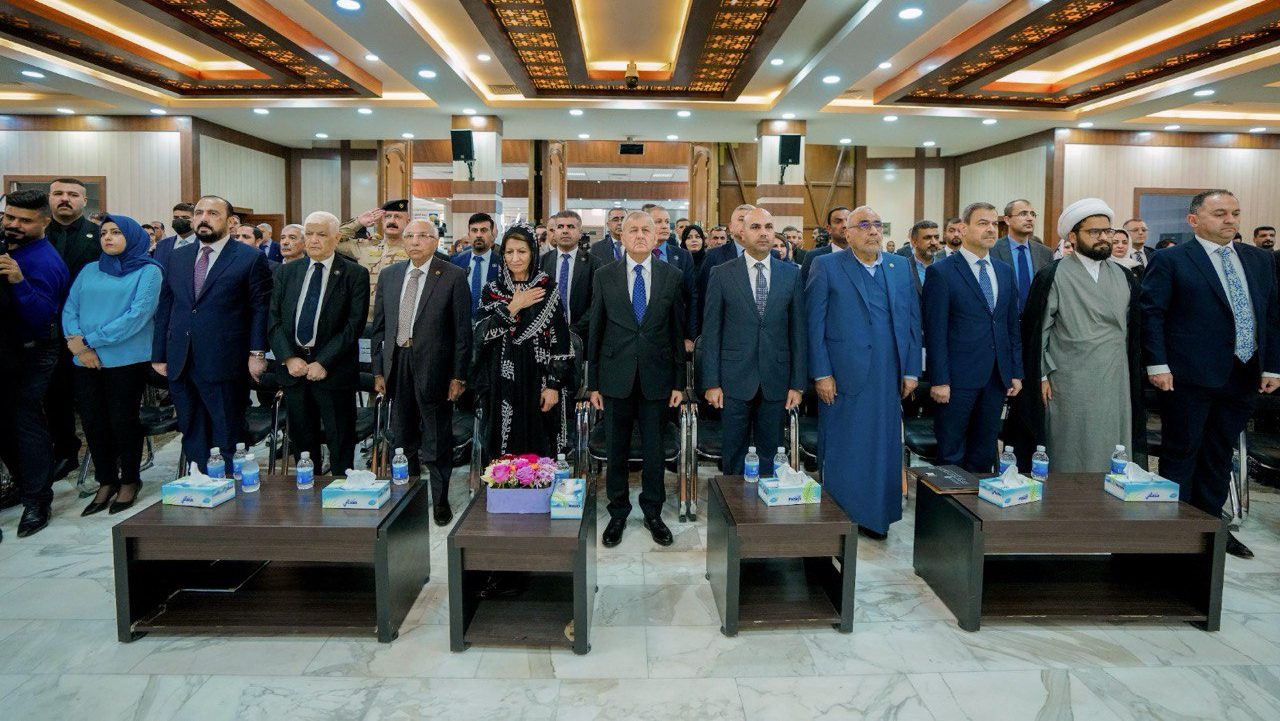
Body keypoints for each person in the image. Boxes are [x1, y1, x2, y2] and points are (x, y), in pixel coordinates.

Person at [1142, 189, 1280, 560]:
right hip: (1187, 375)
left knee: (1220, 456)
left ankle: (1211, 528)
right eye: (1220, 214)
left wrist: (1272, 366)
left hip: (1243, 373)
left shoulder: (1259, 259)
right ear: (1194, 220)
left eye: (1235, 213)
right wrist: (1157, 364)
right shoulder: (1172, 259)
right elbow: (1152, 313)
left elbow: (1271, 315)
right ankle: (1174, 531)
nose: (1230, 220)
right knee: (1182, 452)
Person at [807, 205, 921, 539]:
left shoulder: (899, 266)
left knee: (883, 448)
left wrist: (911, 371)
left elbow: (912, 321)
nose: (873, 231)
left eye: (877, 224)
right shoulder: (827, 266)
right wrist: (821, 373)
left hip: (888, 375)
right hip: (843, 377)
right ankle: (843, 516)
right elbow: (813, 324)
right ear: (848, 232)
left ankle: (877, 517)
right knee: (847, 448)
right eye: (864, 225)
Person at [1019, 198, 1146, 475]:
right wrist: (1041, 375)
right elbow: (1038, 332)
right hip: (1068, 376)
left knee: (1113, 443)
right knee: (1070, 444)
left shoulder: (1125, 276)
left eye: (1107, 231)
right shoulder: (1053, 275)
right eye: (1094, 232)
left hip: (1115, 375)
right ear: (1073, 237)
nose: (1103, 238)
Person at [152, 195, 272, 475]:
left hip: (224, 359)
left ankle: (229, 486)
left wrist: (257, 353)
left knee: (227, 430)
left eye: (213, 213)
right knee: (192, 429)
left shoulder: (249, 257)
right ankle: (199, 482)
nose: (203, 218)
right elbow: (167, 305)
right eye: (199, 213)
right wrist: (159, 353)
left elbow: (260, 309)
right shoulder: (177, 256)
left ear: (231, 222)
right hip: (181, 358)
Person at [588, 211, 685, 548]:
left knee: (655, 450)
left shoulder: (672, 275)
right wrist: (593, 383)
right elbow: (596, 329)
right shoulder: (604, 275)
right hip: (615, 376)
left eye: (647, 229)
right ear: (622, 236)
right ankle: (618, 512)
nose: (640, 235)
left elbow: (676, 332)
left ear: (657, 236)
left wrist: (679, 382)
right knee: (616, 448)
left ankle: (653, 512)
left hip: (658, 377)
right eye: (633, 230)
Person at [371, 219, 471, 526]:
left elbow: (462, 332)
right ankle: (409, 496)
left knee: (437, 437)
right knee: (402, 436)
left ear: (436, 240)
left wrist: (458, 376)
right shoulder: (389, 275)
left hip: (435, 367)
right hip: (397, 362)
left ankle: (440, 500)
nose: (415, 241)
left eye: (423, 236)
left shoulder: (453, 275)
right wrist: (378, 371)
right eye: (409, 236)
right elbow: (379, 329)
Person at [61, 213, 162, 515]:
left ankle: (129, 479)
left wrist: (90, 341)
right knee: (93, 422)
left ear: (132, 236)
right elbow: (70, 307)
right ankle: (106, 480)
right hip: (85, 360)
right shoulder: (90, 269)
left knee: (123, 421)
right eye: (104, 232)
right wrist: (78, 345)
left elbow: (138, 315)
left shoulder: (149, 271)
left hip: (126, 359)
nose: (108, 237)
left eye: (116, 232)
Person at [702, 207, 805, 478]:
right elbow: (711, 332)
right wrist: (712, 382)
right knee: (734, 453)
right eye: (756, 227)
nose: (763, 233)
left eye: (768, 227)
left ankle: (766, 503)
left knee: (771, 453)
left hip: (776, 378)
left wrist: (797, 383)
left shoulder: (791, 274)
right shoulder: (721, 273)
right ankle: (734, 504)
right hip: (733, 379)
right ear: (741, 233)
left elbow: (798, 333)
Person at [923, 202, 1023, 474]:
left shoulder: (1004, 270)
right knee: (951, 454)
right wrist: (940, 380)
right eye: (982, 223)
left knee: (984, 451)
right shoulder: (942, 272)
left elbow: (1010, 325)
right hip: (956, 379)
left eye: (994, 224)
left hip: (996, 377)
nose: (991, 229)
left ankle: (980, 501)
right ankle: (950, 501)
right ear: (963, 228)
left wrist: (1015, 371)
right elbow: (935, 332)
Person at [268, 211, 370, 476]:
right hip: (294, 370)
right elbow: (273, 320)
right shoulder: (286, 272)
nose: (313, 240)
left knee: (340, 442)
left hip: (334, 371)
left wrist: (323, 361)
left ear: (336, 239)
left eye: (321, 234)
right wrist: (288, 357)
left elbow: (353, 326)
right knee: (302, 442)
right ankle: (307, 492)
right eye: (309, 234)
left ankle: (341, 489)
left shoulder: (354, 274)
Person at [0, 189, 70, 538]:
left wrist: (19, 281)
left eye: (24, 220)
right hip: (4, 351)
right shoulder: (7, 246)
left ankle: (38, 501)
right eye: (9, 217)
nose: (13, 224)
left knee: (26, 423)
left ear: (45, 222)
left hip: (34, 351)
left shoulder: (46, 261)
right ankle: (21, 485)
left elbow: (43, 317)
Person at [475, 225, 575, 461]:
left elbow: (561, 343)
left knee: (539, 446)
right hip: (500, 381)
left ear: (533, 253)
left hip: (539, 380)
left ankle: (538, 485)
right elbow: (481, 335)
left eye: (522, 251)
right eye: (509, 252)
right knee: (502, 449)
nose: (515, 258)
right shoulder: (492, 290)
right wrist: (514, 306)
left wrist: (553, 386)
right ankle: (504, 485)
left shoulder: (547, 289)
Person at [45, 178, 102, 480]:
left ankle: (106, 455)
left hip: (88, 330)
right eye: (58, 193)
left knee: (92, 397)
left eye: (72, 194)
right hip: (46, 329)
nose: (64, 199)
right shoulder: (37, 235)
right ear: (49, 199)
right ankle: (66, 451)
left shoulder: (99, 236)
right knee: (55, 397)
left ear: (84, 201)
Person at [338, 199, 415, 320]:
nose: (392, 221)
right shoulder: (365, 246)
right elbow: (333, 241)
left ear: (408, 222)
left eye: (398, 217)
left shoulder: (414, 250)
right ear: (381, 221)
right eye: (387, 216)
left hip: (398, 318)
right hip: (365, 318)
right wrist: (358, 222)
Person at [539, 209, 600, 344]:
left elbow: (596, 303)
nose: (565, 231)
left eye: (571, 227)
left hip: (582, 337)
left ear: (580, 233)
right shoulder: (541, 262)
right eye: (560, 227)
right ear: (554, 232)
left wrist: (573, 330)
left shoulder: (594, 264)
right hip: (546, 336)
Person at [992, 199, 1052, 315]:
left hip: (1035, 320)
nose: (1030, 218)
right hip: (1004, 319)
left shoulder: (1045, 253)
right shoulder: (992, 250)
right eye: (1023, 214)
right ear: (1007, 220)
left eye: (1032, 214)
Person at [452, 212, 502, 319]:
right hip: (462, 322)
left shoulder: (502, 263)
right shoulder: (456, 262)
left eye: (484, 230)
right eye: (474, 230)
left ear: (492, 235)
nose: (478, 235)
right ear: (469, 234)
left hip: (491, 322)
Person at [800, 206, 851, 287]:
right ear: (829, 228)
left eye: (848, 221)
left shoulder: (862, 255)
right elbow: (803, 287)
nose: (845, 225)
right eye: (838, 221)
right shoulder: (813, 256)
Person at [904, 220, 941, 299]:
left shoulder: (945, 267)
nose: (934, 242)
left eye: (936, 237)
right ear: (914, 242)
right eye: (927, 238)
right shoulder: (904, 267)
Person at [153, 202, 196, 268]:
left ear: (195, 220)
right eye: (176, 218)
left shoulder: (203, 244)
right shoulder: (161, 245)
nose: (179, 220)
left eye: (185, 217)